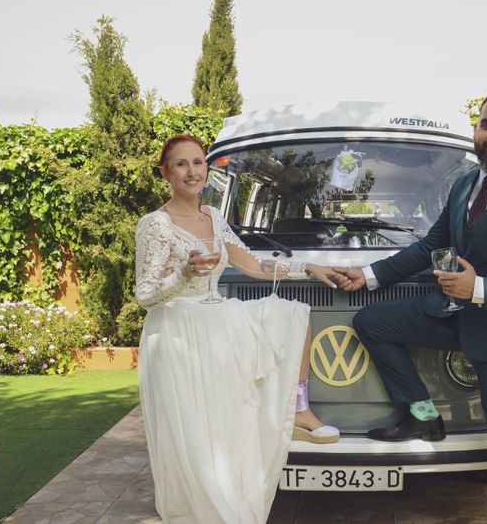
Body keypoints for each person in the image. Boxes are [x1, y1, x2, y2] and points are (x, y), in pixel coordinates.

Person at [332, 90, 487, 524]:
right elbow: (431, 244)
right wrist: (368, 276)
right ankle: (422, 415)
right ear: (476, 130)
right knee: (372, 321)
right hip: (452, 317)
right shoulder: (465, 184)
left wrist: (478, 288)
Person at [135, 134, 340, 523]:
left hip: (217, 324)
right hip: (178, 335)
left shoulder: (213, 216)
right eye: (181, 164)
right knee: (196, 432)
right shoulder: (155, 225)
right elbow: (144, 295)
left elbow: (255, 266)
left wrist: (306, 268)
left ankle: (298, 409)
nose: (192, 171)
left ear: (206, 169)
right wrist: (182, 274)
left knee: (294, 314)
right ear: (166, 172)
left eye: (198, 162)